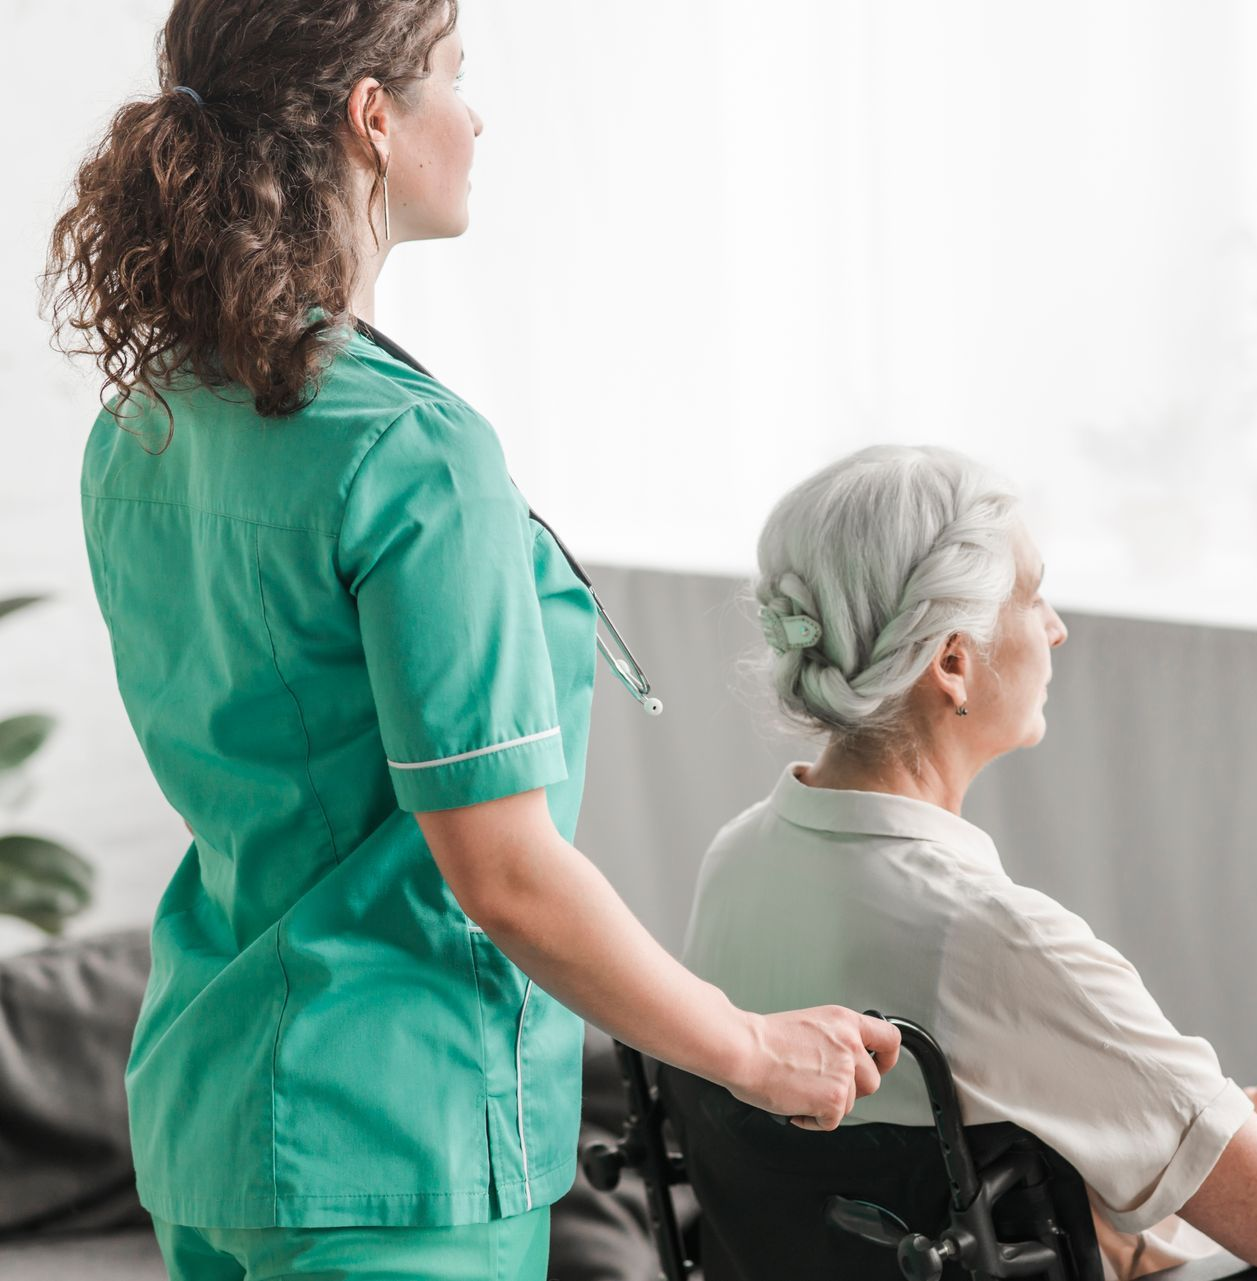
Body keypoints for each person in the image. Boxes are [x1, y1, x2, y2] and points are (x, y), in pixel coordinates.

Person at [43, 4, 900, 1278]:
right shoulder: (412, 452)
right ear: (370, 120)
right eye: (455, 76)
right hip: (394, 1150)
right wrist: (748, 1049)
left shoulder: (145, 425)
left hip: (211, 1120)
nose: (477, 114)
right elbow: (499, 869)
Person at [680, 444, 1257, 1281]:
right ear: (952, 663)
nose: (1058, 629)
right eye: (1034, 596)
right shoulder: (995, 941)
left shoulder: (733, 864)